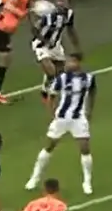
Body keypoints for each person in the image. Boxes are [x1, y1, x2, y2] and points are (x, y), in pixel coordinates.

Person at [25, 53, 96, 195]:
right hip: (62, 118)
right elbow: (51, 96)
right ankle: (34, 178)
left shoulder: (88, 78)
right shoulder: (62, 79)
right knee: (49, 146)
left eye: (70, 61)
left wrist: (89, 110)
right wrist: (52, 114)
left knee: (85, 148)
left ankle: (87, 182)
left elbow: (93, 91)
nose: (67, 64)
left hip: (78, 118)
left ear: (77, 62)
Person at [29, 0, 81, 102]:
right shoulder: (49, 15)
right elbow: (34, 29)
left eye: (64, 1)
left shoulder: (69, 14)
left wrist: (77, 47)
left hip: (56, 46)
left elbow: (71, 30)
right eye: (59, 1)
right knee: (51, 71)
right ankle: (48, 95)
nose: (61, 3)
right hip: (41, 44)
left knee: (60, 72)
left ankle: (44, 89)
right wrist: (44, 40)